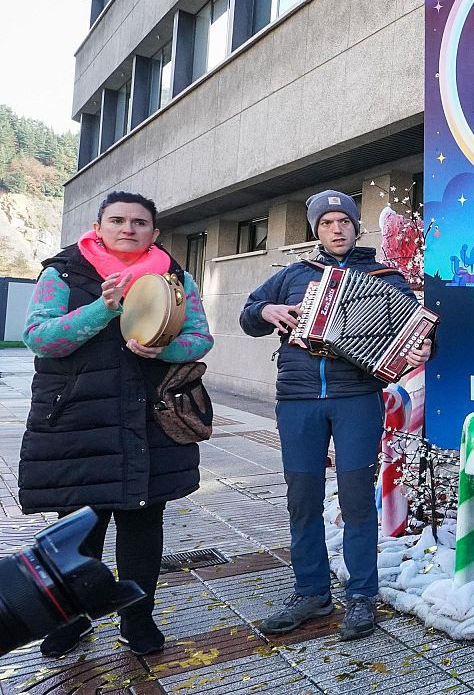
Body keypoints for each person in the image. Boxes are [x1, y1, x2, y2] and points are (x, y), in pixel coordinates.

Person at [18, 191, 214, 658]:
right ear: (99, 225)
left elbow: (200, 337)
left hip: (151, 421)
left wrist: (163, 349)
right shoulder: (63, 272)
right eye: (118, 220)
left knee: (143, 526)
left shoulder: (175, 277)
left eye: (140, 222)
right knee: (77, 530)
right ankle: (71, 617)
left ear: (155, 232)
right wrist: (102, 310)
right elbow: (40, 337)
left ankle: (137, 618)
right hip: (77, 422)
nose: (129, 229)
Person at [240, 190, 431, 641]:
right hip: (298, 401)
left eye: (343, 221)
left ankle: (362, 596)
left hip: (357, 399)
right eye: (326, 223)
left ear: (355, 226)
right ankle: (311, 592)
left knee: (357, 501)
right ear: (316, 230)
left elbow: (416, 328)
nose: (336, 229)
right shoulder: (292, 276)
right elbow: (248, 316)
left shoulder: (383, 276)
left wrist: (425, 347)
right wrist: (266, 310)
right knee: (302, 499)